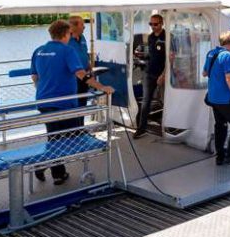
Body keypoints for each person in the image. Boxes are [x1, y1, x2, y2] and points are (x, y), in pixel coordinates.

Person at [31, 19, 114, 184]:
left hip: (44, 101)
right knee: (66, 137)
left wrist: (43, 91)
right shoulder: (67, 51)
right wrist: (102, 87)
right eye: (69, 33)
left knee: (57, 137)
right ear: (66, 34)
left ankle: (50, 169)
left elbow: (34, 77)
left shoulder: (38, 51)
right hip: (64, 103)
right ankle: (49, 169)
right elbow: (81, 74)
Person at [203, 31, 230, 166]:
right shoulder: (228, 56)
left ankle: (220, 156)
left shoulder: (211, 53)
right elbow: (229, 79)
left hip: (213, 98)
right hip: (225, 100)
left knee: (220, 126)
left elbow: (204, 73)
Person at [133, 14, 166, 139]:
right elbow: (152, 55)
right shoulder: (151, 37)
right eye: (150, 24)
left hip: (162, 74)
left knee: (164, 101)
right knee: (146, 101)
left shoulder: (167, 37)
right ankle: (141, 128)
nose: (153, 26)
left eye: (155, 24)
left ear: (162, 23)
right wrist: (141, 55)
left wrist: (163, 75)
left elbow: (170, 59)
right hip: (149, 73)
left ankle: (166, 126)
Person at [68, 14, 92, 115]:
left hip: (85, 74)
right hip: (73, 76)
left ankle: (80, 128)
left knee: (83, 102)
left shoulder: (82, 37)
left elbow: (84, 52)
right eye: (82, 24)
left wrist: (89, 64)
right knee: (74, 103)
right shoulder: (66, 40)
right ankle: (73, 128)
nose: (84, 26)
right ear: (74, 26)